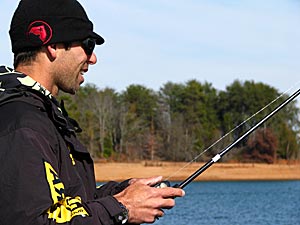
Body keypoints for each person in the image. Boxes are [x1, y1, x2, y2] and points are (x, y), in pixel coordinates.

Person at [0, 0, 185, 224]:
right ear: (53, 45)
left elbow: (67, 205)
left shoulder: (40, 115)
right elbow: (33, 220)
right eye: (88, 45)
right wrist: (122, 208)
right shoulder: (22, 123)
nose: (93, 58)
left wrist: (123, 192)